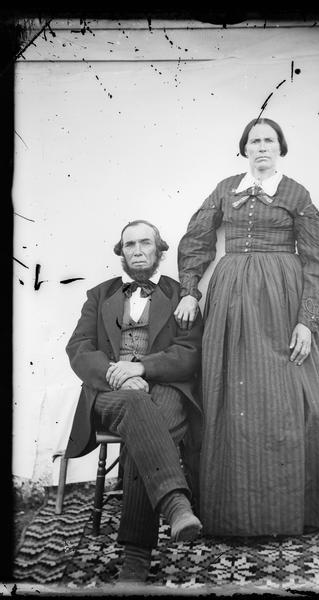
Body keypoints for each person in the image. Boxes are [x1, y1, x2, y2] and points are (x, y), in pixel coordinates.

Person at [174, 117, 319, 537]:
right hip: (230, 301)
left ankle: (294, 505)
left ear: (280, 148)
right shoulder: (225, 189)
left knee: (298, 400)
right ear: (244, 149)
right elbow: (195, 238)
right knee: (229, 394)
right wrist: (191, 290)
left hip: (284, 301)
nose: (261, 147)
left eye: (269, 141)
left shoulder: (296, 194)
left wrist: (307, 321)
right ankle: (232, 506)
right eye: (254, 141)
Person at [64, 220, 203, 583]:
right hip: (111, 393)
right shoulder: (98, 295)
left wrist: (141, 368)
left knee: (146, 419)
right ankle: (175, 504)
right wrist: (118, 372)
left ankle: (135, 560)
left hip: (166, 389)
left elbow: (189, 353)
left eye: (146, 243)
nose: (138, 250)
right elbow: (78, 348)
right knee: (142, 412)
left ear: (159, 251)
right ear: (121, 252)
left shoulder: (180, 296)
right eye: (130, 245)